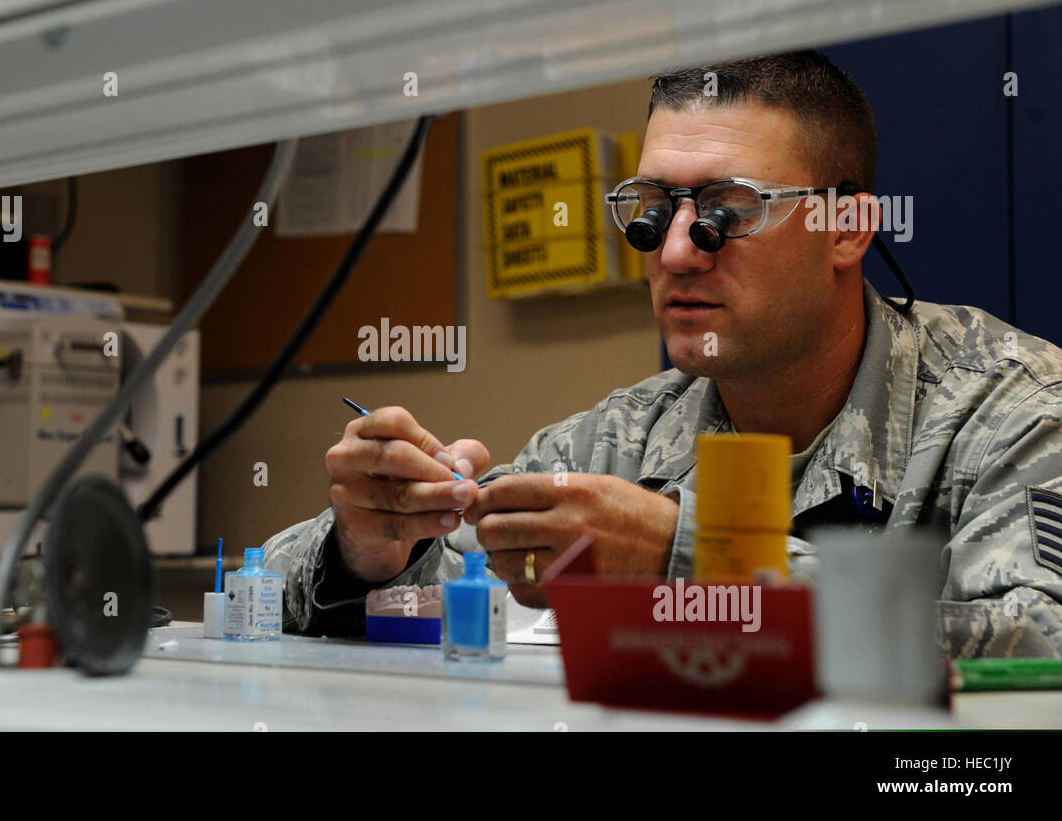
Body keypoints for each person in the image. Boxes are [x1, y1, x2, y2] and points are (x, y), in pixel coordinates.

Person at [263, 50, 1062, 658]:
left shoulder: (1012, 408)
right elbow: (305, 596)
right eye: (651, 209)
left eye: (728, 211)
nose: (676, 251)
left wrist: (686, 557)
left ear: (847, 227)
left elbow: (1041, 645)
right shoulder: (624, 442)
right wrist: (367, 551)